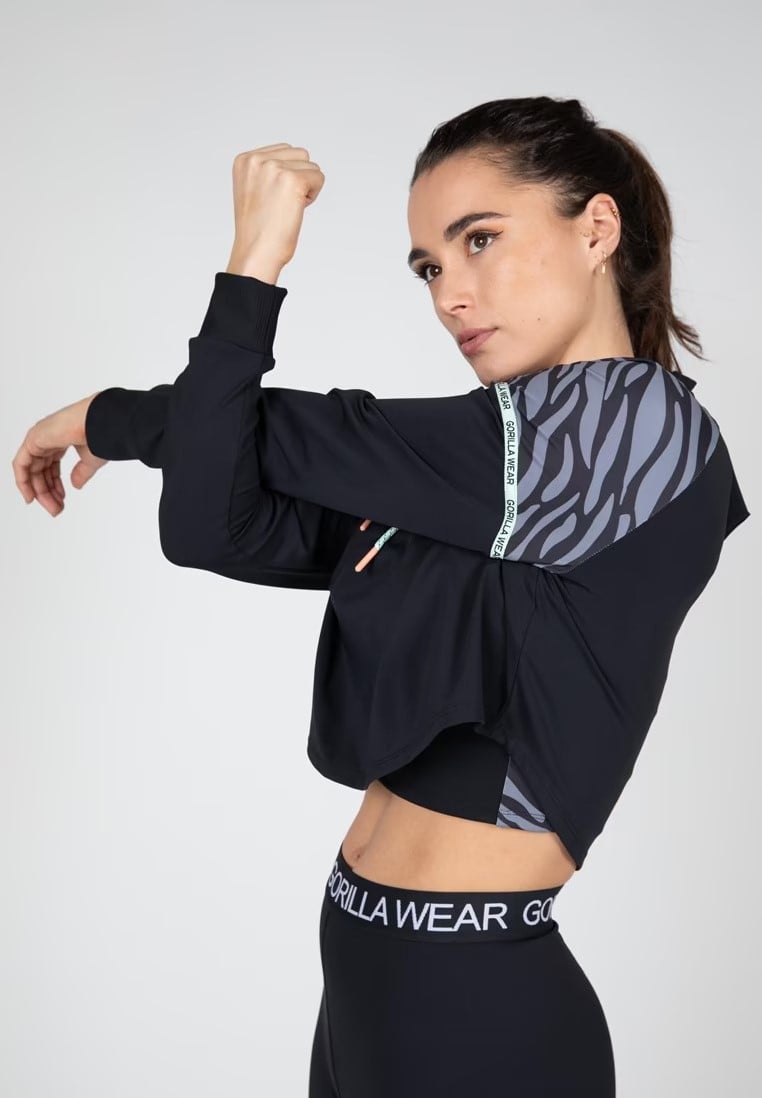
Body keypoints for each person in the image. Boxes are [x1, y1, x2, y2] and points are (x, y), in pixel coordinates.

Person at [12, 96, 750, 1096]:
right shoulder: (480, 484)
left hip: (476, 1009)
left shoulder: (633, 434)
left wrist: (247, 269)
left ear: (596, 230)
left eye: (480, 240)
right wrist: (152, 425)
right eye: (429, 267)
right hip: (372, 987)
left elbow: (312, 437)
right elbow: (213, 524)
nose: (452, 294)